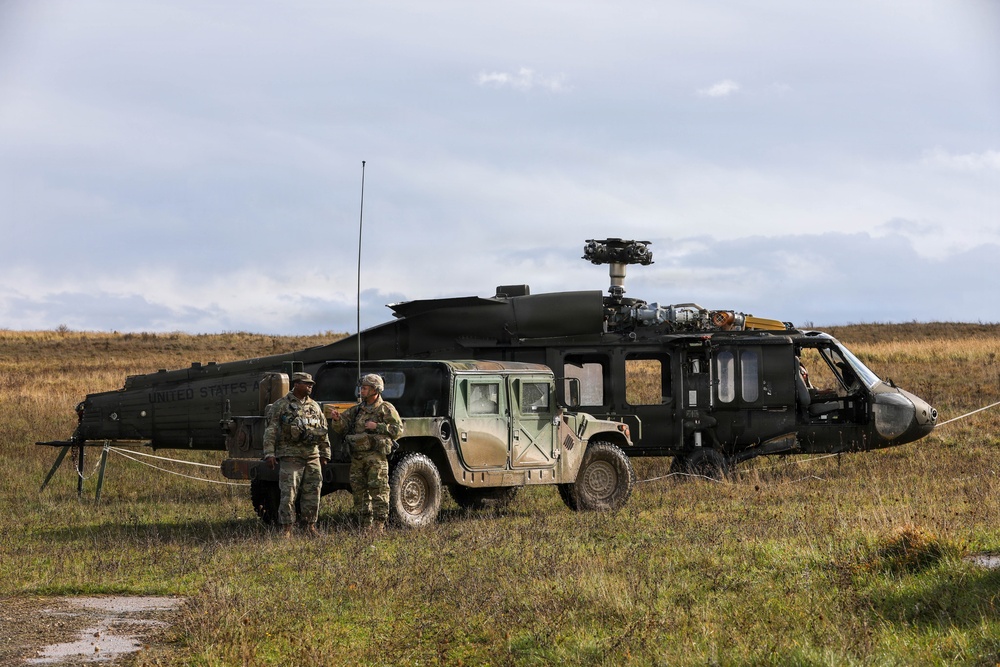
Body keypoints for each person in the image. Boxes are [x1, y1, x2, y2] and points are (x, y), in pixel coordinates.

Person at [328, 373, 404, 531]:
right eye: (361, 388)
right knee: (359, 492)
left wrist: (378, 427)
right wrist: (337, 419)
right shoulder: (357, 410)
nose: (361, 391)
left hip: (375, 458)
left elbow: (398, 430)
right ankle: (365, 527)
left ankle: (379, 527)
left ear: (375, 390)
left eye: (365, 388)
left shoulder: (385, 408)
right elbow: (343, 427)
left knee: (379, 491)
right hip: (357, 458)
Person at [262, 371, 331, 537]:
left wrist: (325, 453)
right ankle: (286, 529)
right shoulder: (281, 405)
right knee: (289, 493)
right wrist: (269, 453)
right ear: (296, 384)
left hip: (312, 456)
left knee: (313, 492)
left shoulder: (314, 406)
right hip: (291, 456)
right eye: (306, 384)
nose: (310, 387)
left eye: (311, 384)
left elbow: (323, 430)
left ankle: (310, 526)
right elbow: (271, 430)